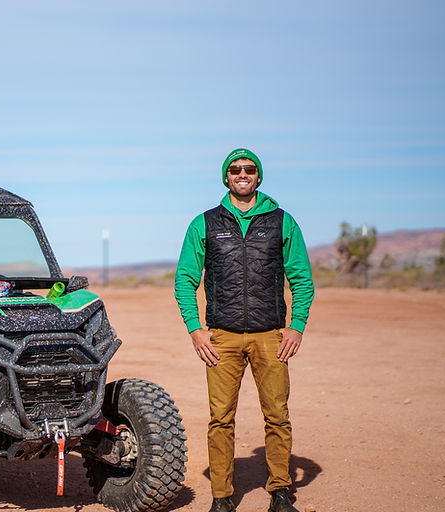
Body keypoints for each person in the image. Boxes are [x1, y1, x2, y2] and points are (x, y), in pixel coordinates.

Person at [174, 148, 314, 512]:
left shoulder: (282, 222)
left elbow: (301, 279)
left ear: (258, 176)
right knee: (220, 419)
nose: (242, 174)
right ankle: (222, 498)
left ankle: (280, 493)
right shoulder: (204, 223)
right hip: (222, 337)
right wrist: (196, 330)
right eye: (235, 169)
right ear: (226, 177)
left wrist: (296, 327)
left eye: (249, 169)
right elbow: (185, 280)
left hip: (272, 337)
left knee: (278, 416)